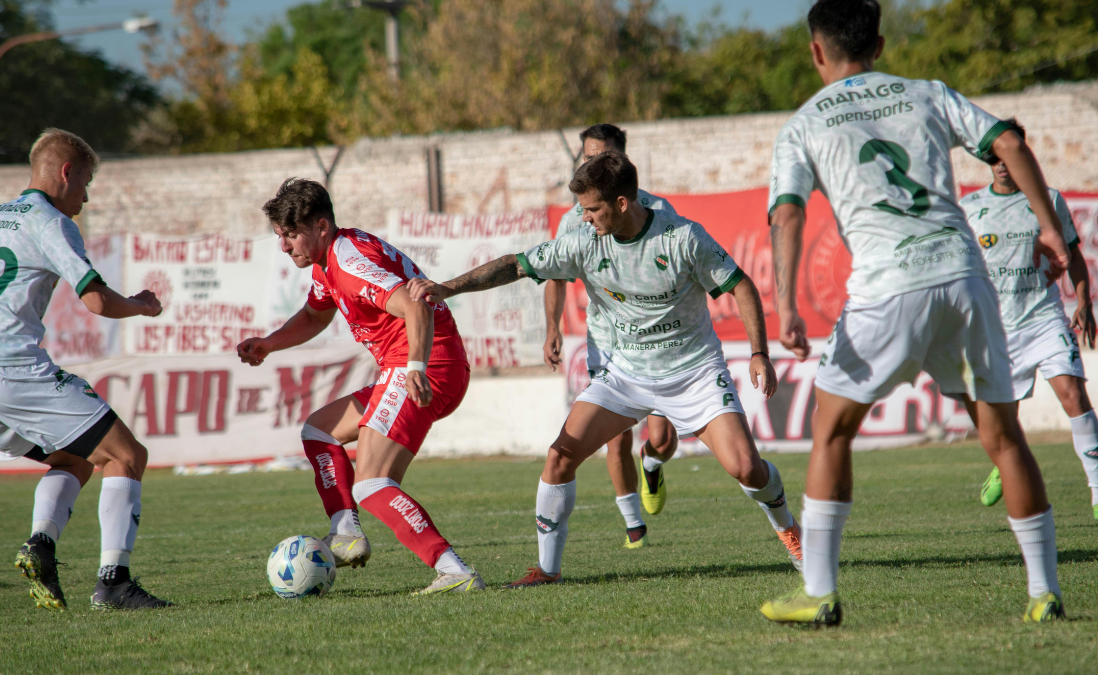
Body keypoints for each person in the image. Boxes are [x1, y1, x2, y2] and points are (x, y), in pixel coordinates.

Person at [764, 0, 1070, 626]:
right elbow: (1011, 145)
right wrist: (1050, 229)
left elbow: (787, 214)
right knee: (1003, 437)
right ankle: (1044, 592)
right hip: (964, 276)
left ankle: (818, 591)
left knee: (831, 430)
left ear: (816, 51)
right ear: (879, 45)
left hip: (888, 288)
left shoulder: (804, 123)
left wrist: (785, 304)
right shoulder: (927, 93)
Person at [410, 151, 803, 588]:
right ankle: (547, 571)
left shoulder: (682, 237)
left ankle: (791, 531)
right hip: (625, 375)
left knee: (747, 468)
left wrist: (759, 353)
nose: (584, 217)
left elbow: (741, 285)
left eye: (592, 208)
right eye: (582, 208)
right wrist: (448, 287)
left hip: (693, 373)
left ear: (621, 203)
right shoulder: (583, 241)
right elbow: (514, 265)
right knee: (560, 457)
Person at [236, 178, 483, 594]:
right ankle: (345, 533)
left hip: (424, 365)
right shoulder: (328, 260)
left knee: (371, 483)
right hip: (419, 365)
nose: (284, 246)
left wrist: (416, 367)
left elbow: (415, 304)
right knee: (320, 431)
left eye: (291, 234)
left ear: (321, 226)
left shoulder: (350, 262)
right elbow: (315, 316)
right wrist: (270, 343)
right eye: (279, 235)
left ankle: (455, 572)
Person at [0, 129, 170, 611]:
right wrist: (141, 305)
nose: (85, 198)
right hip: (13, 371)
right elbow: (97, 301)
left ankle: (41, 545)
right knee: (126, 456)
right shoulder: (50, 221)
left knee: (75, 460)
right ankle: (114, 584)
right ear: (66, 172)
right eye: (86, 183)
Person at [545, 123, 680, 549]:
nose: (592, 163)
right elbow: (554, 274)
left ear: (621, 160)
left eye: (602, 157)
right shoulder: (574, 219)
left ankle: (653, 464)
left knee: (661, 439)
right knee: (615, 435)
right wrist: (552, 327)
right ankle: (633, 524)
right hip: (608, 342)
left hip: (656, 342)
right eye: (587, 157)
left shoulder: (657, 209)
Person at [961, 118, 1098, 519]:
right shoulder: (970, 208)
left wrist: (1084, 301)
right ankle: (1004, 462)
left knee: (1074, 395)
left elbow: (1073, 255)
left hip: (1044, 317)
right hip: (997, 328)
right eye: (996, 156)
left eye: (1011, 154)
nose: (1003, 163)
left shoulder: (1047, 200)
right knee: (1004, 423)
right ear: (988, 159)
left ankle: (1097, 487)